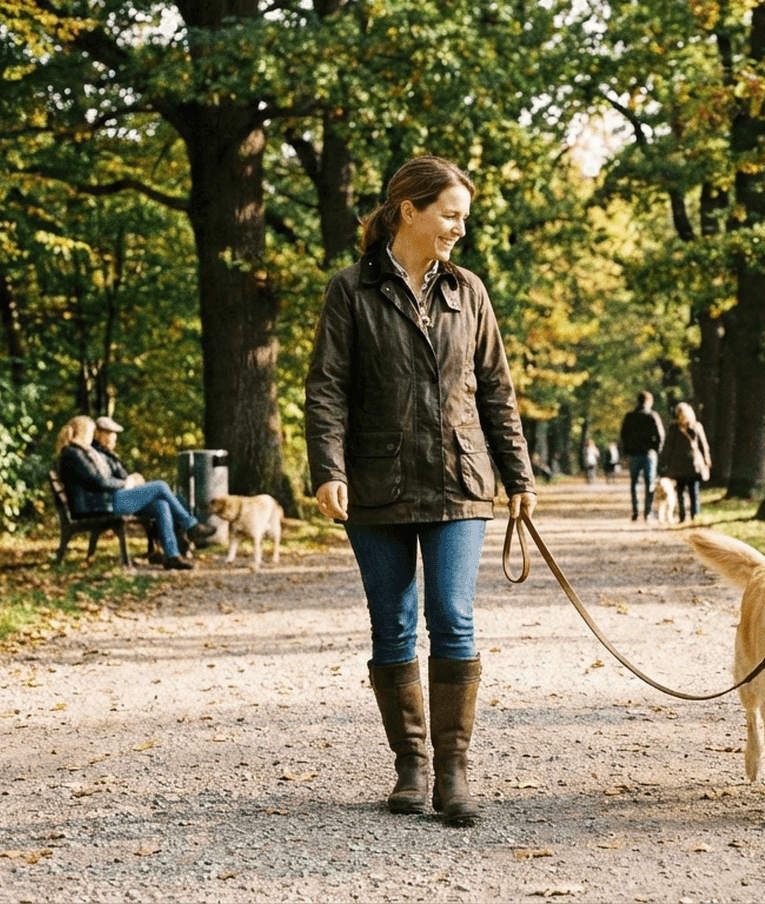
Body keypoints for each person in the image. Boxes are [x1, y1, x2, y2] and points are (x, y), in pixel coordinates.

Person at [305, 154, 537, 829]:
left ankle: (453, 772)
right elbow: (327, 387)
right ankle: (410, 766)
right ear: (409, 209)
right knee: (393, 623)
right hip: (376, 482)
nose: (459, 229)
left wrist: (518, 477)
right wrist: (328, 467)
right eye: (450, 214)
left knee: (453, 616)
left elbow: (495, 389)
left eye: (463, 217)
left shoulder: (470, 292)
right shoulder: (350, 290)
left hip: (460, 481)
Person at [55, 415, 215, 570]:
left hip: (102, 501)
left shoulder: (81, 453)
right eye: (91, 432)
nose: (92, 436)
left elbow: (100, 480)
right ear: (83, 432)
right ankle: (190, 525)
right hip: (98, 504)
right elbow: (98, 481)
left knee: (160, 504)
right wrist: (127, 483)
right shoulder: (73, 454)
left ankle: (172, 556)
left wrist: (127, 483)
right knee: (160, 486)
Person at [660, 401, 712, 523]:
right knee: (680, 492)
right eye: (680, 415)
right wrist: (664, 461)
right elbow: (668, 446)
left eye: (683, 414)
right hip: (678, 464)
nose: (682, 417)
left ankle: (695, 514)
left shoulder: (696, 427)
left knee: (694, 491)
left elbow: (703, 444)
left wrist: (707, 459)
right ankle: (682, 515)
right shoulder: (673, 429)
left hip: (694, 464)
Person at [619, 391, 665, 521]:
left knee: (634, 483)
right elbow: (660, 435)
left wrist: (627, 451)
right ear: (649, 402)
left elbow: (624, 435)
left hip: (634, 454)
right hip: (649, 454)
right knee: (649, 483)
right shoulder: (652, 416)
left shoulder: (629, 416)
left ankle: (635, 510)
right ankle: (648, 512)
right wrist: (657, 449)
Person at [93, 416, 146, 490]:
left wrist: (133, 477)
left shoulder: (108, 454)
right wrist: (131, 480)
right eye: (113, 441)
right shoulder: (98, 454)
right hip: (117, 493)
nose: (114, 444)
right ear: (101, 435)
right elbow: (109, 478)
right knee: (161, 486)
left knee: (160, 501)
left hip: (123, 489)